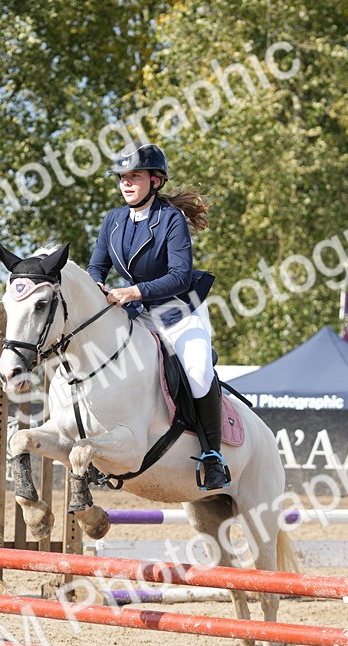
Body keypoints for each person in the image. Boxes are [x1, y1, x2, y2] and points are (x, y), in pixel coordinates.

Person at [86, 141, 230, 490]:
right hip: (137, 315)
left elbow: (180, 276)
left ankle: (212, 456)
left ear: (155, 181)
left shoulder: (171, 221)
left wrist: (132, 292)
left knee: (197, 372)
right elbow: (96, 267)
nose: (126, 183)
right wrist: (96, 290)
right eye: (122, 177)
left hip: (180, 313)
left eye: (134, 176)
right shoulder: (114, 220)